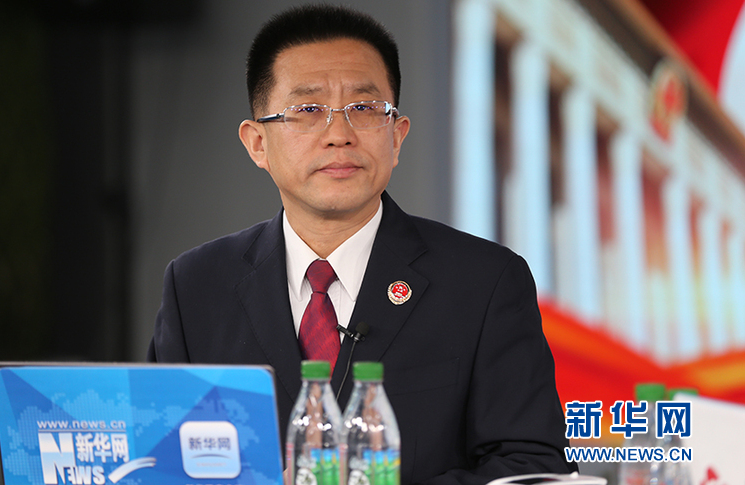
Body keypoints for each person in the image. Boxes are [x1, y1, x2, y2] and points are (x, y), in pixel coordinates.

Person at [148, 5, 575, 484]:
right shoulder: (197, 286)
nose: (339, 135)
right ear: (257, 143)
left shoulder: (484, 281)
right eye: (308, 110)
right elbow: (158, 462)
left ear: (397, 137)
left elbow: (532, 466)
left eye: (365, 109)